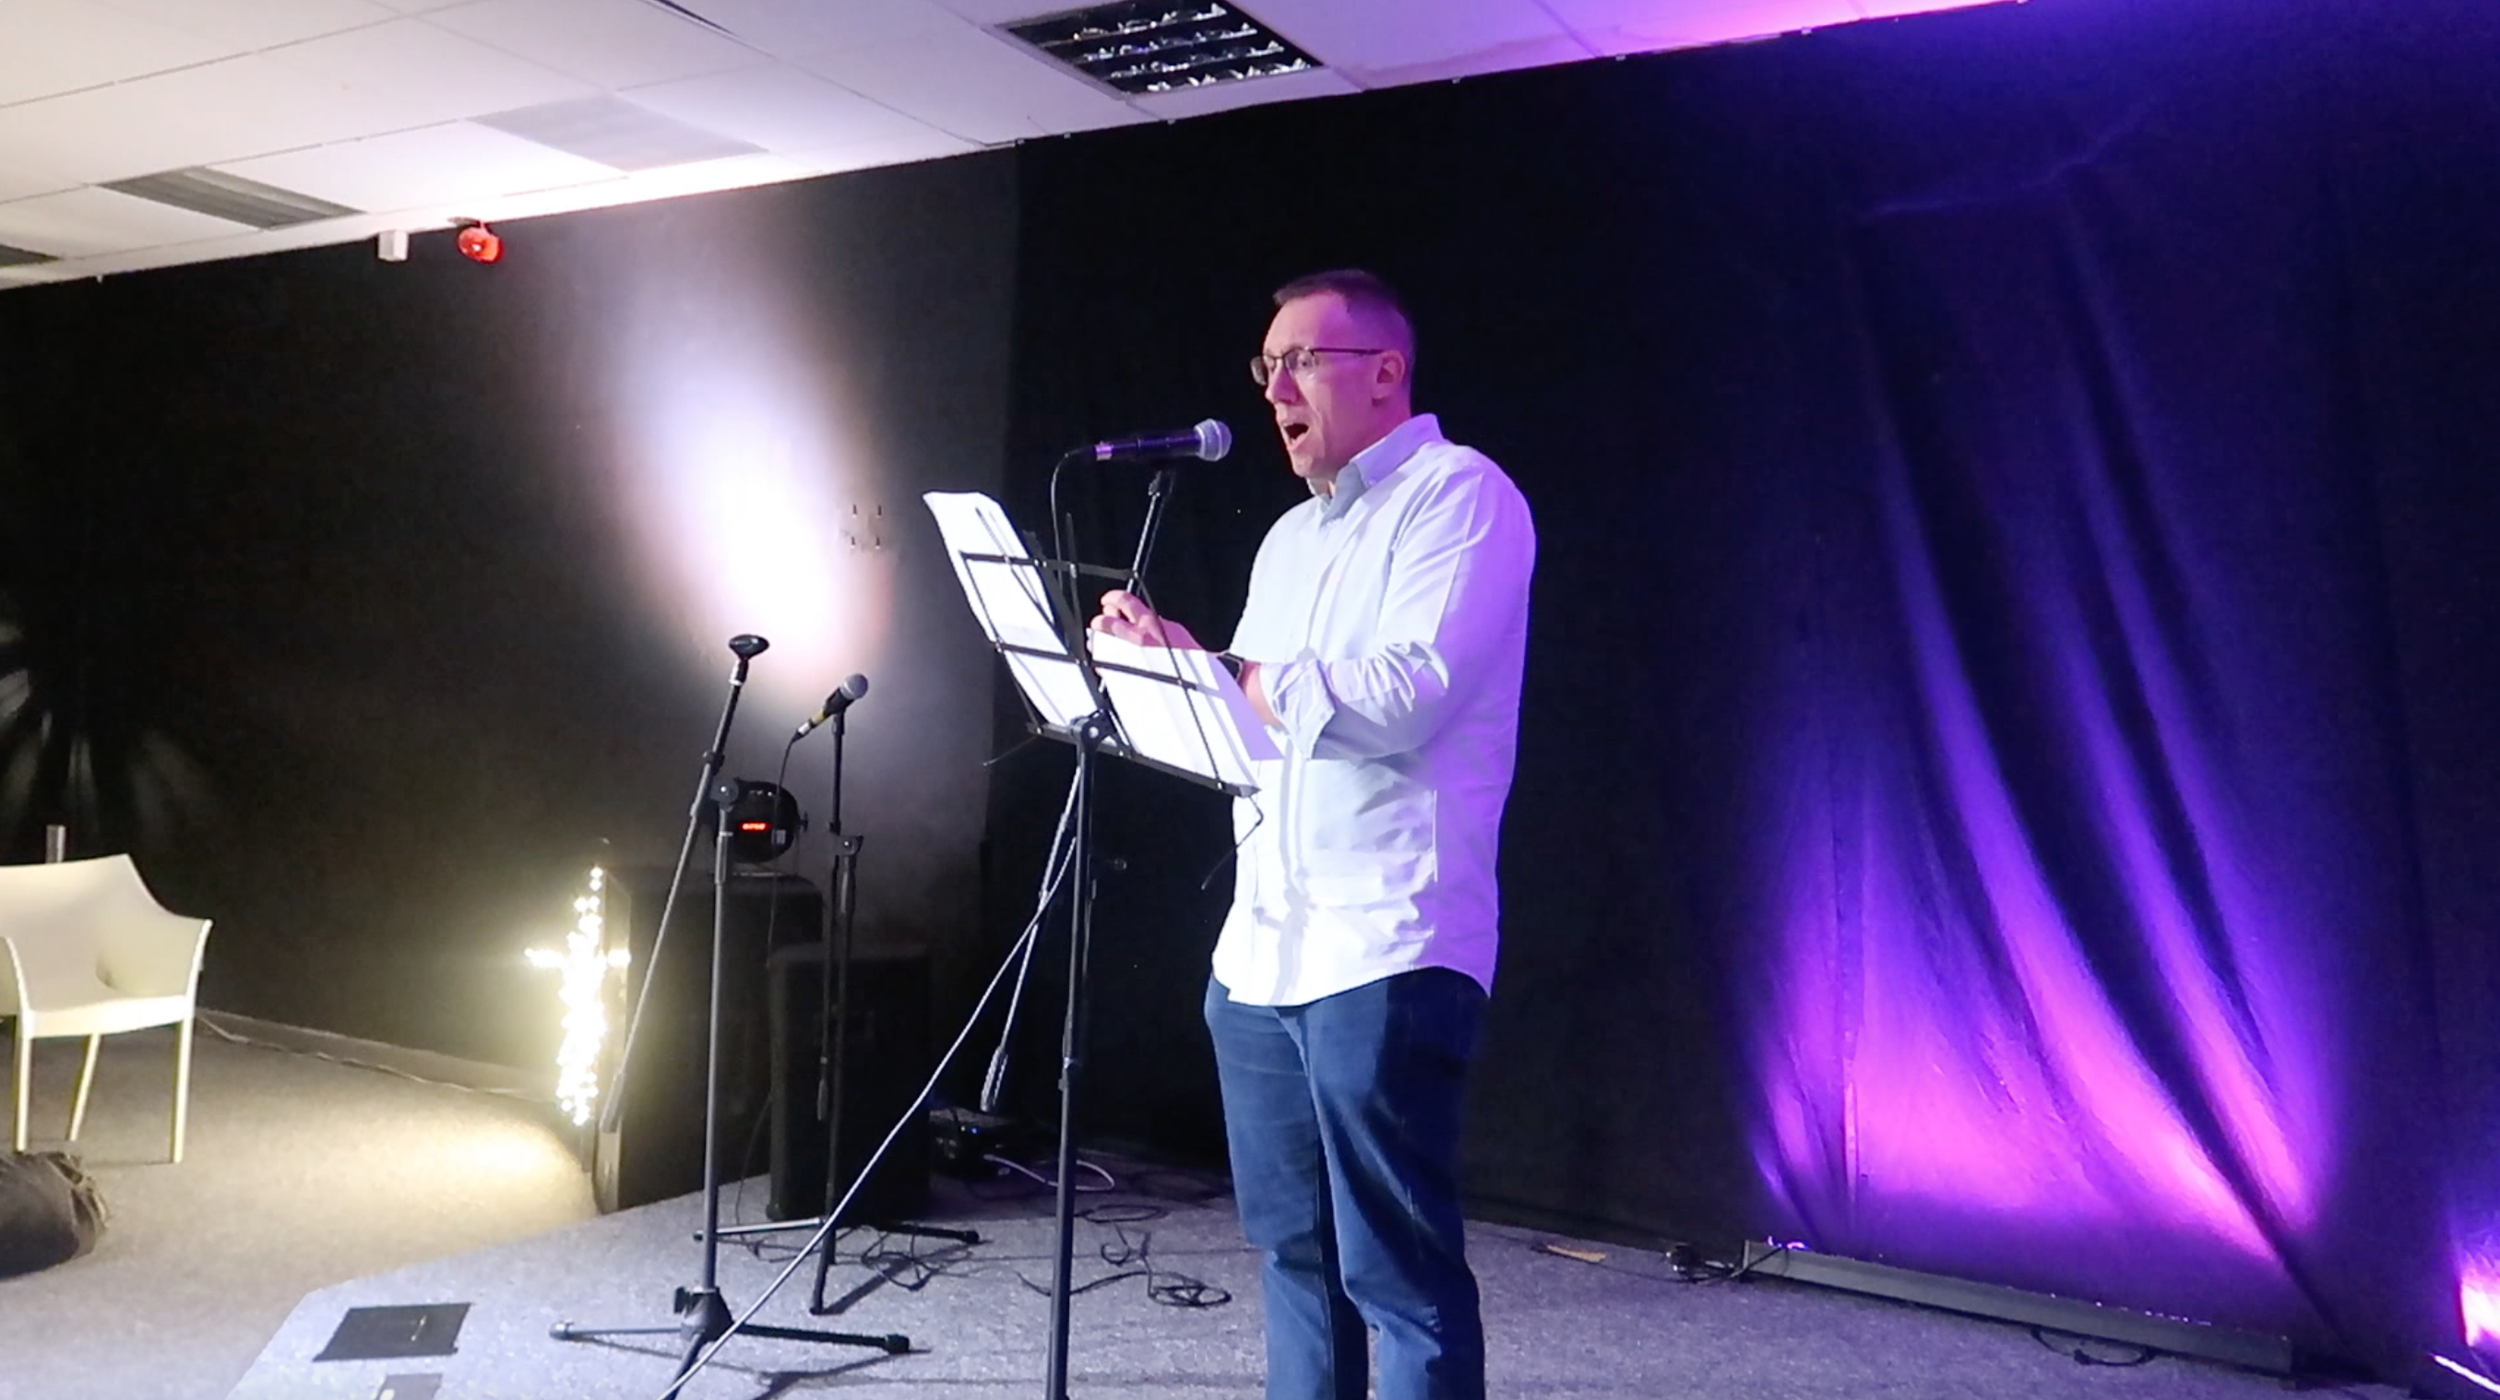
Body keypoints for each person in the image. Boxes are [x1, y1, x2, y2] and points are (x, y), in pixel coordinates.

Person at [1091, 269, 1536, 1400]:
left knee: (1397, 1271)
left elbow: (1403, 695)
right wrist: (1176, 666)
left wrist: (1232, 670)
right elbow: (1259, 724)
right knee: (1296, 1257)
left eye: (1302, 360)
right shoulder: (1288, 538)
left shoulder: (1460, 496)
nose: (1275, 385)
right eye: (1266, 366)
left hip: (1384, 942)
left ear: (1385, 372)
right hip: (1260, 952)